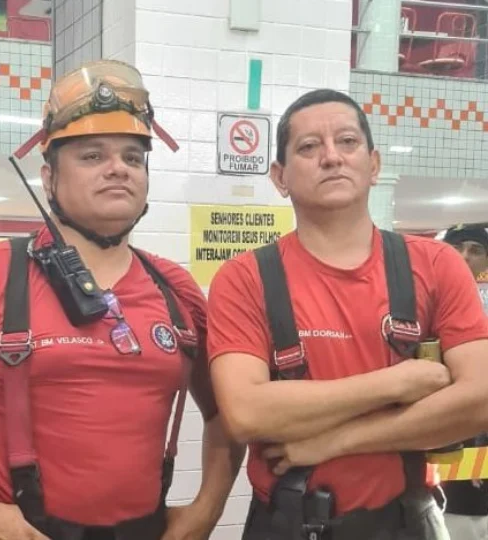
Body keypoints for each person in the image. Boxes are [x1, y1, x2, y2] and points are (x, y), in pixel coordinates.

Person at [0, 59, 245, 540]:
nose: (118, 169)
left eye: (133, 157)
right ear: (48, 179)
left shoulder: (177, 290)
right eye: (92, 156)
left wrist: (206, 510)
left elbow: (231, 411)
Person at [207, 88, 488, 539]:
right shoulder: (245, 278)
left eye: (347, 141)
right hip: (287, 525)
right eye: (309, 147)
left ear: (373, 165)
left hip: (405, 524)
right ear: (280, 177)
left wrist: (334, 442)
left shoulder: (436, 265)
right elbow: (245, 412)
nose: (332, 157)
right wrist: (396, 382)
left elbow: (479, 399)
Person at [439, 224, 488, 540]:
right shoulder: (420, 306)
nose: (464, 256)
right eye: (457, 247)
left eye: (475, 250)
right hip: (434, 449)